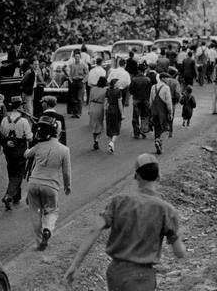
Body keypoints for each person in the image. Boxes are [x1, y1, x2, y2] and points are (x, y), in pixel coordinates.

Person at [65, 153, 186, 289]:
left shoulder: (119, 201)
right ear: (158, 177)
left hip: (115, 272)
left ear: (136, 176)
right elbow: (179, 253)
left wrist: (75, 265)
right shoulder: (167, 210)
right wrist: (179, 235)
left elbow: (95, 229)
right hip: (142, 277)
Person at [25, 116, 71, 251]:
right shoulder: (64, 150)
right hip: (51, 185)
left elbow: (27, 155)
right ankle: (47, 230)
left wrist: (29, 148)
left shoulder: (39, 145)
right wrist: (67, 186)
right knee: (52, 210)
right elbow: (66, 172)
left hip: (34, 182)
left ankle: (39, 242)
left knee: (35, 212)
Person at [0, 96, 33, 210]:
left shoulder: (5, 120)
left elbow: (2, 135)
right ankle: (9, 196)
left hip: (9, 150)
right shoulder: (24, 121)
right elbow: (29, 138)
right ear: (20, 107)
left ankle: (16, 196)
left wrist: (7, 141)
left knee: (11, 171)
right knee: (18, 174)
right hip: (20, 149)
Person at [150, 73, 173, 154]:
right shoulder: (166, 88)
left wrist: (151, 112)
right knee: (165, 129)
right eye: (167, 78)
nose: (168, 79)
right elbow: (169, 103)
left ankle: (157, 142)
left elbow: (151, 101)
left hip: (155, 111)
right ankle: (159, 141)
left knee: (157, 128)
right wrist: (170, 113)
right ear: (162, 78)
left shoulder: (153, 87)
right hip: (163, 111)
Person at [129, 64, 151, 139]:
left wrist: (135, 93)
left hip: (136, 99)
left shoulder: (134, 79)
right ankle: (142, 129)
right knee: (145, 116)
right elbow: (150, 90)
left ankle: (136, 133)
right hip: (145, 100)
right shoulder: (148, 79)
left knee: (135, 117)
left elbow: (130, 90)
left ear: (138, 70)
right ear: (144, 70)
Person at [105, 79, 124, 153]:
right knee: (116, 128)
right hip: (116, 110)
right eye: (118, 83)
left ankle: (111, 144)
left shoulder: (108, 90)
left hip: (109, 109)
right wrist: (122, 113)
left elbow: (106, 102)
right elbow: (120, 103)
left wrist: (105, 111)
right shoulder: (119, 91)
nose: (119, 84)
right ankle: (112, 142)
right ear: (115, 84)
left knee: (110, 127)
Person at [88, 76, 107, 150]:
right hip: (100, 106)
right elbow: (105, 101)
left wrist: (89, 109)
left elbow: (89, 99)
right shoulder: (105, 91)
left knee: (93, 124)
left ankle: (94, 140)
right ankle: (97, 140)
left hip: (92, 105)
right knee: (100, 124)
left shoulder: (93, 89)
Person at [68, 51, 89, 118]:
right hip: (74, 82)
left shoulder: (83, 65)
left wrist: (84, 81)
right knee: (73, 98)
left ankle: (79, 113)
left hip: (80, 82)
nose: (77, 58)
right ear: (74, 57)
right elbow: (70, 74)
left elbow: (87, 74)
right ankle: (75, 112)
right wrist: (71, 81)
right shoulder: (72, 65)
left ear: (80, 57)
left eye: (78, 57)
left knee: (79, 98)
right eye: (76, 57)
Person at [160, 70, 181, 138]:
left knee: (163, 115)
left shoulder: (164, 81)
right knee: (171, 116)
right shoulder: (176, 82)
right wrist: (177, 101)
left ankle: (163, 130)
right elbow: (177, 93)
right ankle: (170, 132)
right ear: (175, 75)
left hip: (163, 100)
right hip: (172, 101)